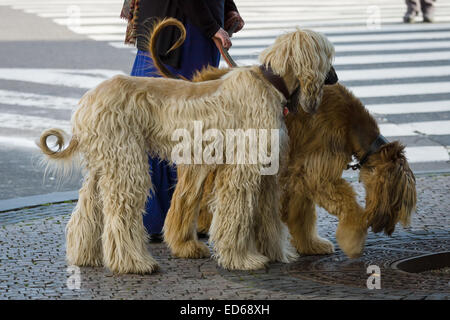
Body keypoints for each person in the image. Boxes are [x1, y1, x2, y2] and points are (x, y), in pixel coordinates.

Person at [120, 0, 244, 242]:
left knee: (187, 129)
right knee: (159, 126)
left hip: (193, 31)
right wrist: (212, 27)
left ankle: (180, 217)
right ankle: (152, 219)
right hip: (179, 32)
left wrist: (228, 9)